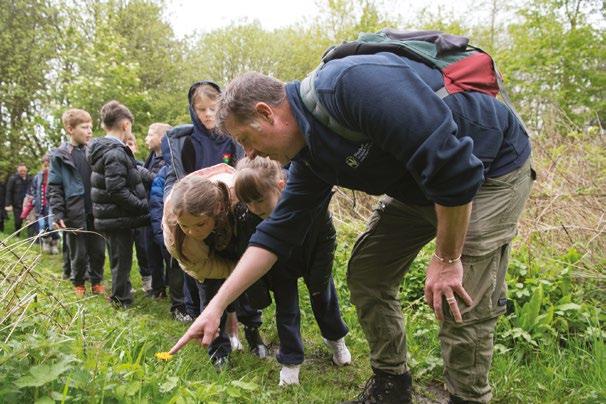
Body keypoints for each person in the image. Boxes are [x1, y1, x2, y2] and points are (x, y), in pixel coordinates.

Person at [170, 53, 534, 404]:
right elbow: (276, 234)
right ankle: (391, 386)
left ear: (266, 113)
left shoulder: (350, 86)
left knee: (460, 294)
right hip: (420, 185)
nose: (247, 155)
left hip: (488, 171)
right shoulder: (311, 156)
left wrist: (448, 257)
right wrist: (216, 307)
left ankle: (466, 396)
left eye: (246, 140)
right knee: (368, 271)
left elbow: (455, 170)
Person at [234, 156, 351, 386]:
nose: (254, 208)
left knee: (325, 299)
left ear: (280, 186)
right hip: (280, 266)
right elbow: (246, 253)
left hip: (312, 259)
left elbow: (326, 238)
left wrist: (318, 279)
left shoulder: (309, 200)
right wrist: (258, 293)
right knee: (287, 312)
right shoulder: (248, 217)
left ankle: (335, 338)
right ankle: (290, 362)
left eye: (259, 200)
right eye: (247, 203)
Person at [162, 164, 265, 369]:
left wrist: (245, 270)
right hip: (206, 259)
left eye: (199, 224)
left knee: (246, 293)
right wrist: (234, 270)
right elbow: (200, 267)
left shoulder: (238, 199)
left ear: (217, 209)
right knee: (209, 297)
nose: (192, 232)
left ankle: (253, 331)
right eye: (185, 225)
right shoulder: (175, 235)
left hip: (234, 240)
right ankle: (218, 351)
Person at [164, 80, 245, 321]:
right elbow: (175, 177)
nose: (208, 114)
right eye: (201, 109)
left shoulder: (233, 137)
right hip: (193, 210)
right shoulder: (186, 141)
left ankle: (239, 320)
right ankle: (199, 316)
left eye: (213, 108)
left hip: (226, 210)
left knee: (231, 260)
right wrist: (172, 205)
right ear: (193, 110)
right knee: (200, 272)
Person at [88, 100, 150, 307]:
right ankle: (120, 299)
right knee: (121, 260)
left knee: (118, 258)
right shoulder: (114, 152)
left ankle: (122, 294)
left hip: (112, 216)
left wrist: (154, 177)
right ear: (125, 125)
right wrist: (142, 206)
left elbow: (132, 171)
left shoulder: (108, 149)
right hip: (117, 216)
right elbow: (117, 190)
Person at [48, 108, 106, 297]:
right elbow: (55, 187)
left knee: (98, 250)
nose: (89, 131)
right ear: (70, 129)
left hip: (96, 210)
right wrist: (58, 213)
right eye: (84, 127)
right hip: (74, 212)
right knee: (78, 253)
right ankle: (79, 283)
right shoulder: (60, 156)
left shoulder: (95, 151)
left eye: (91, 127)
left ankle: (97, 282)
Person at [125, 133, 153, 294]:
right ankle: (125, 283)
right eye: (125, 143)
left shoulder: (142, 166)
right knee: (124, 251)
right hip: (123, 215)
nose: (128, 146)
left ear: (135, 147)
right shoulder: (115, 165)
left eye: (130, 143)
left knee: (143, 249)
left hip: (141, 214)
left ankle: (147, 280)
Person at [23, 154, 60, 253]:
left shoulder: (55, 175)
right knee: (43, 226)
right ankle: (46, 243)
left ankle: (54, 244)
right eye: (44, 163)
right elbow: (33, 189)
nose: (46, 166)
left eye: (48, 163)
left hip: (52, 206)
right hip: (41, 207)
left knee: (52, 226)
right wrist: (35, 199)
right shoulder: (38, 176)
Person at [5, 163, 32, 235]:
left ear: (26, 170)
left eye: (24, 171)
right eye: (21, 171)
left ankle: (30, 237)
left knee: (30, 221)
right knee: (18, 221)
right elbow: (9, 191)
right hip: (17, 204)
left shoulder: (30, 178)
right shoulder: (13, 178)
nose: (22, 172)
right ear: (18, 170)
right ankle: (17, 235)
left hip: (28, 203)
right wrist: (8, 204)